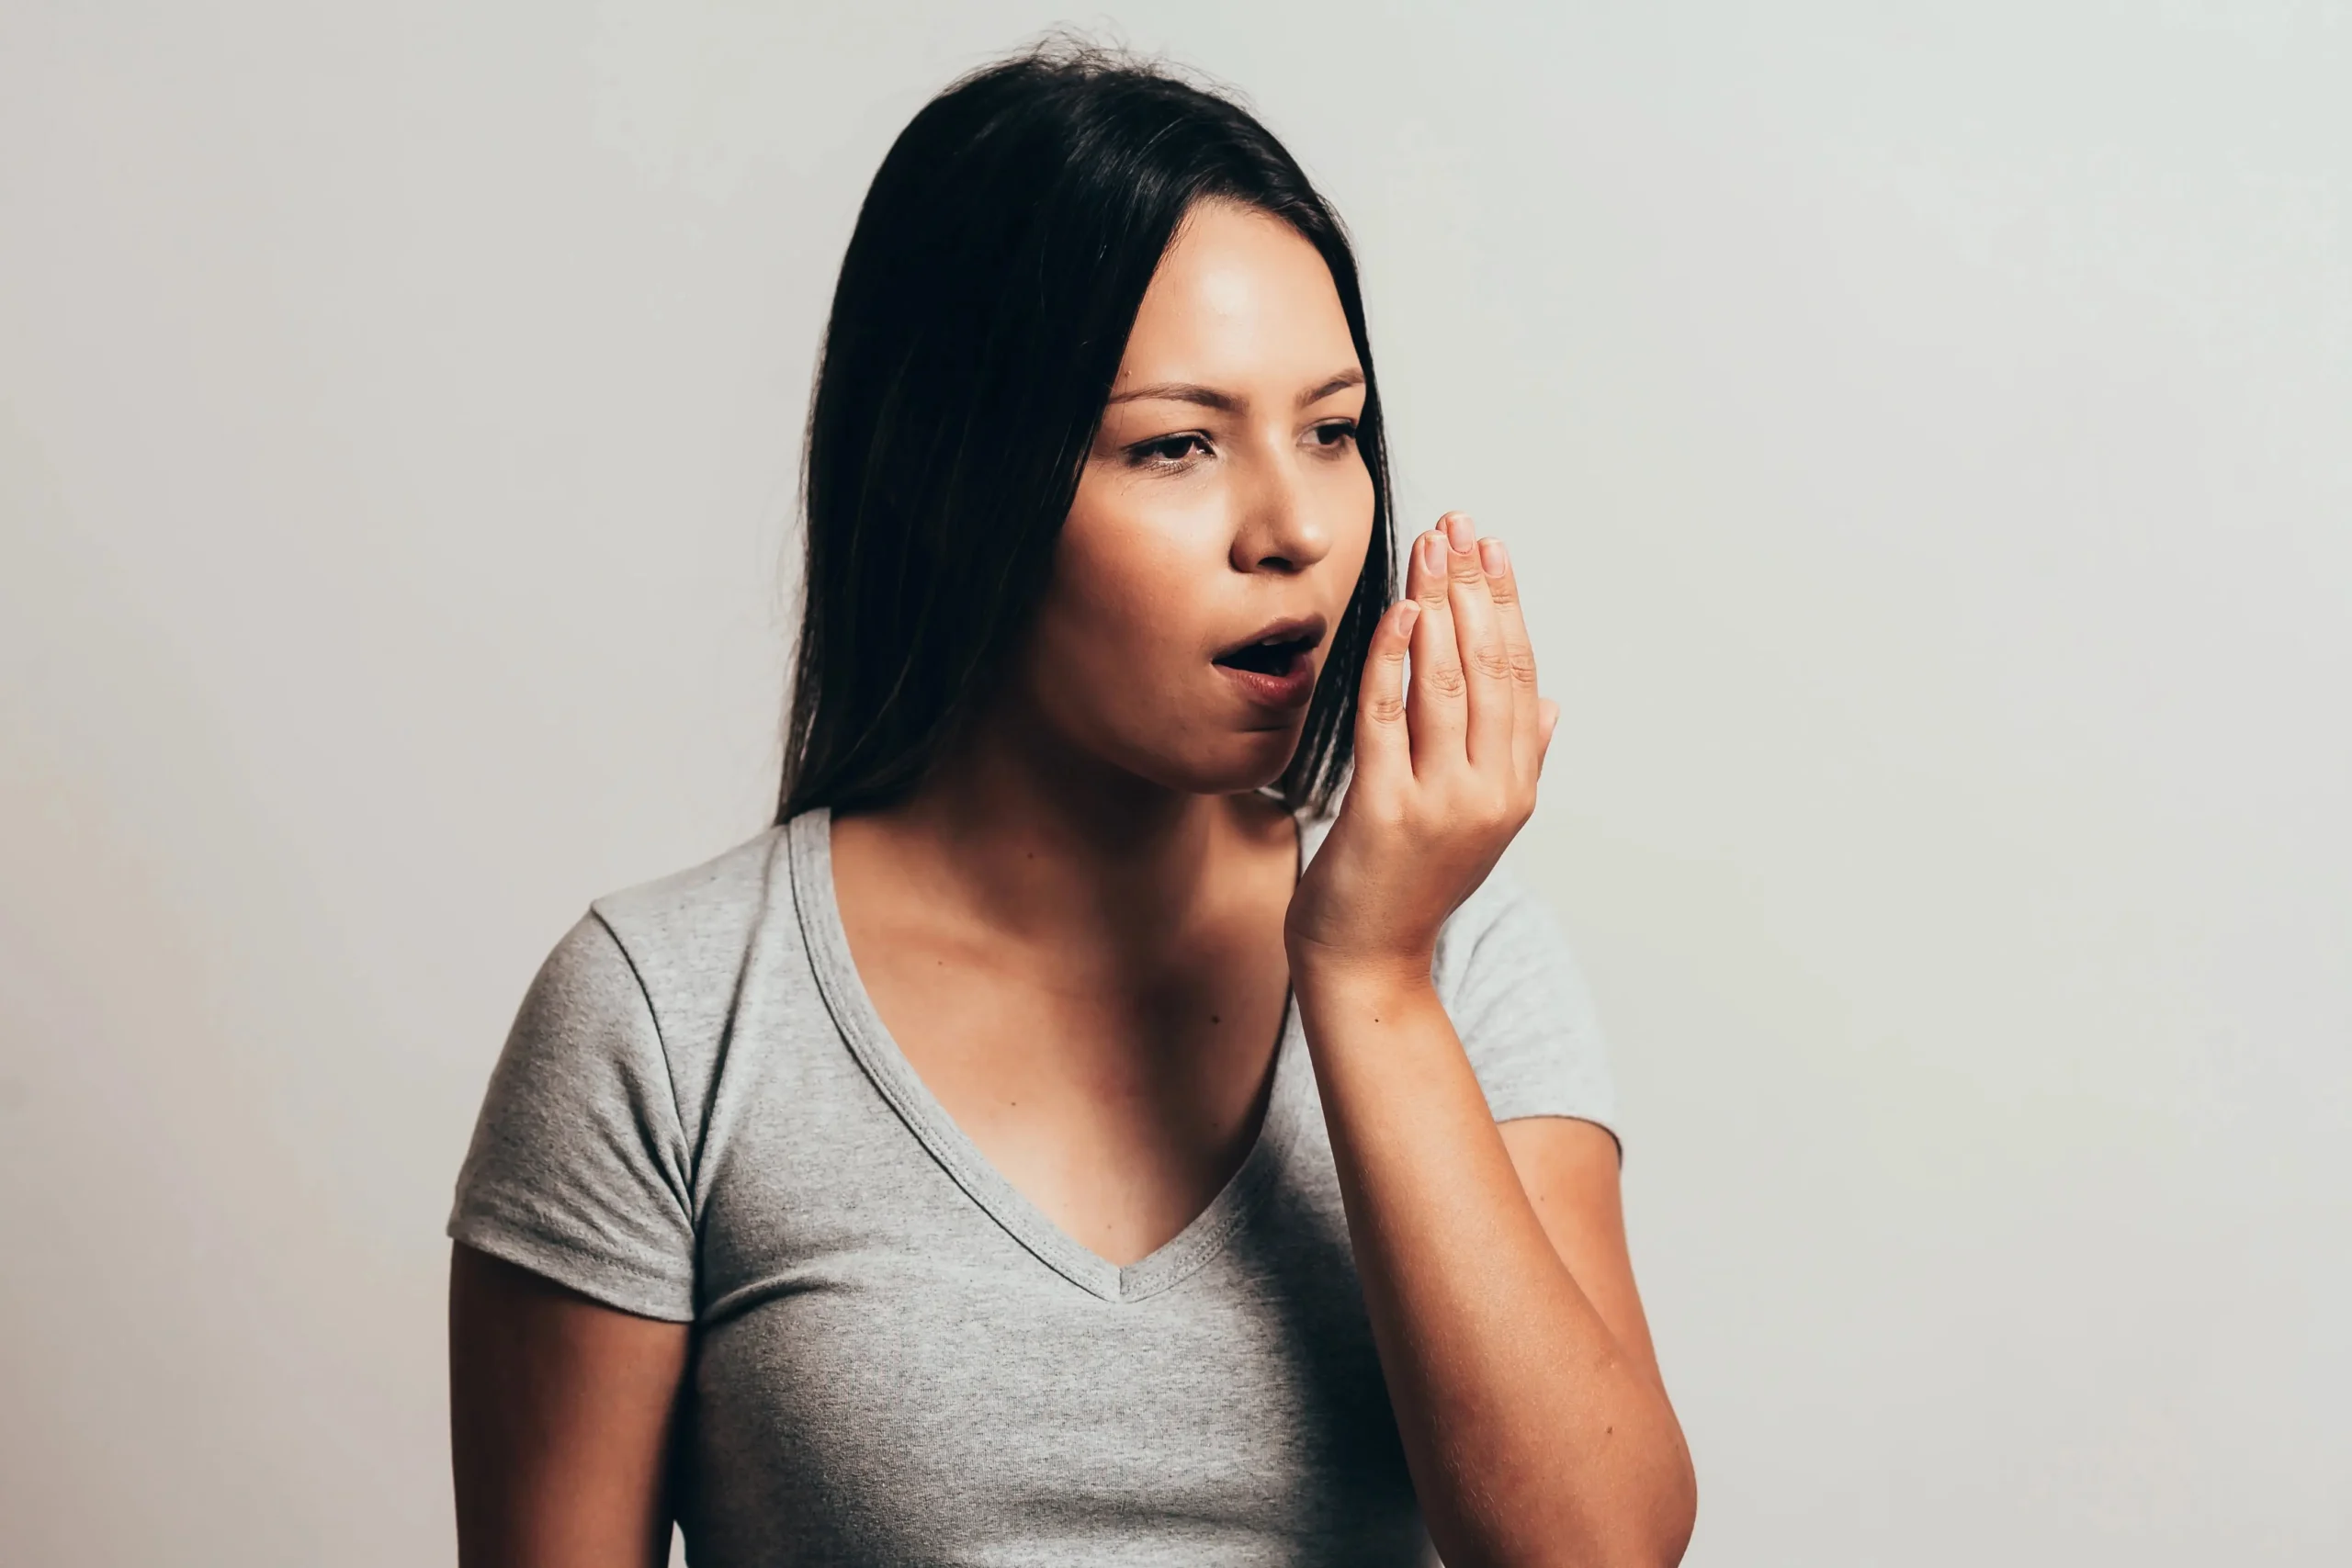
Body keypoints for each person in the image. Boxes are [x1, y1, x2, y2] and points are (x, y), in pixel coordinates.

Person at [446, 42, 1696, 1568]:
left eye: (1333, 427)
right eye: (1176, 443)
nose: (1297, 527)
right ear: (956, 475)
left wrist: (1370, 978)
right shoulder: (665, 1016)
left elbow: (1598, 1554)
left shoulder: (1466, 968)